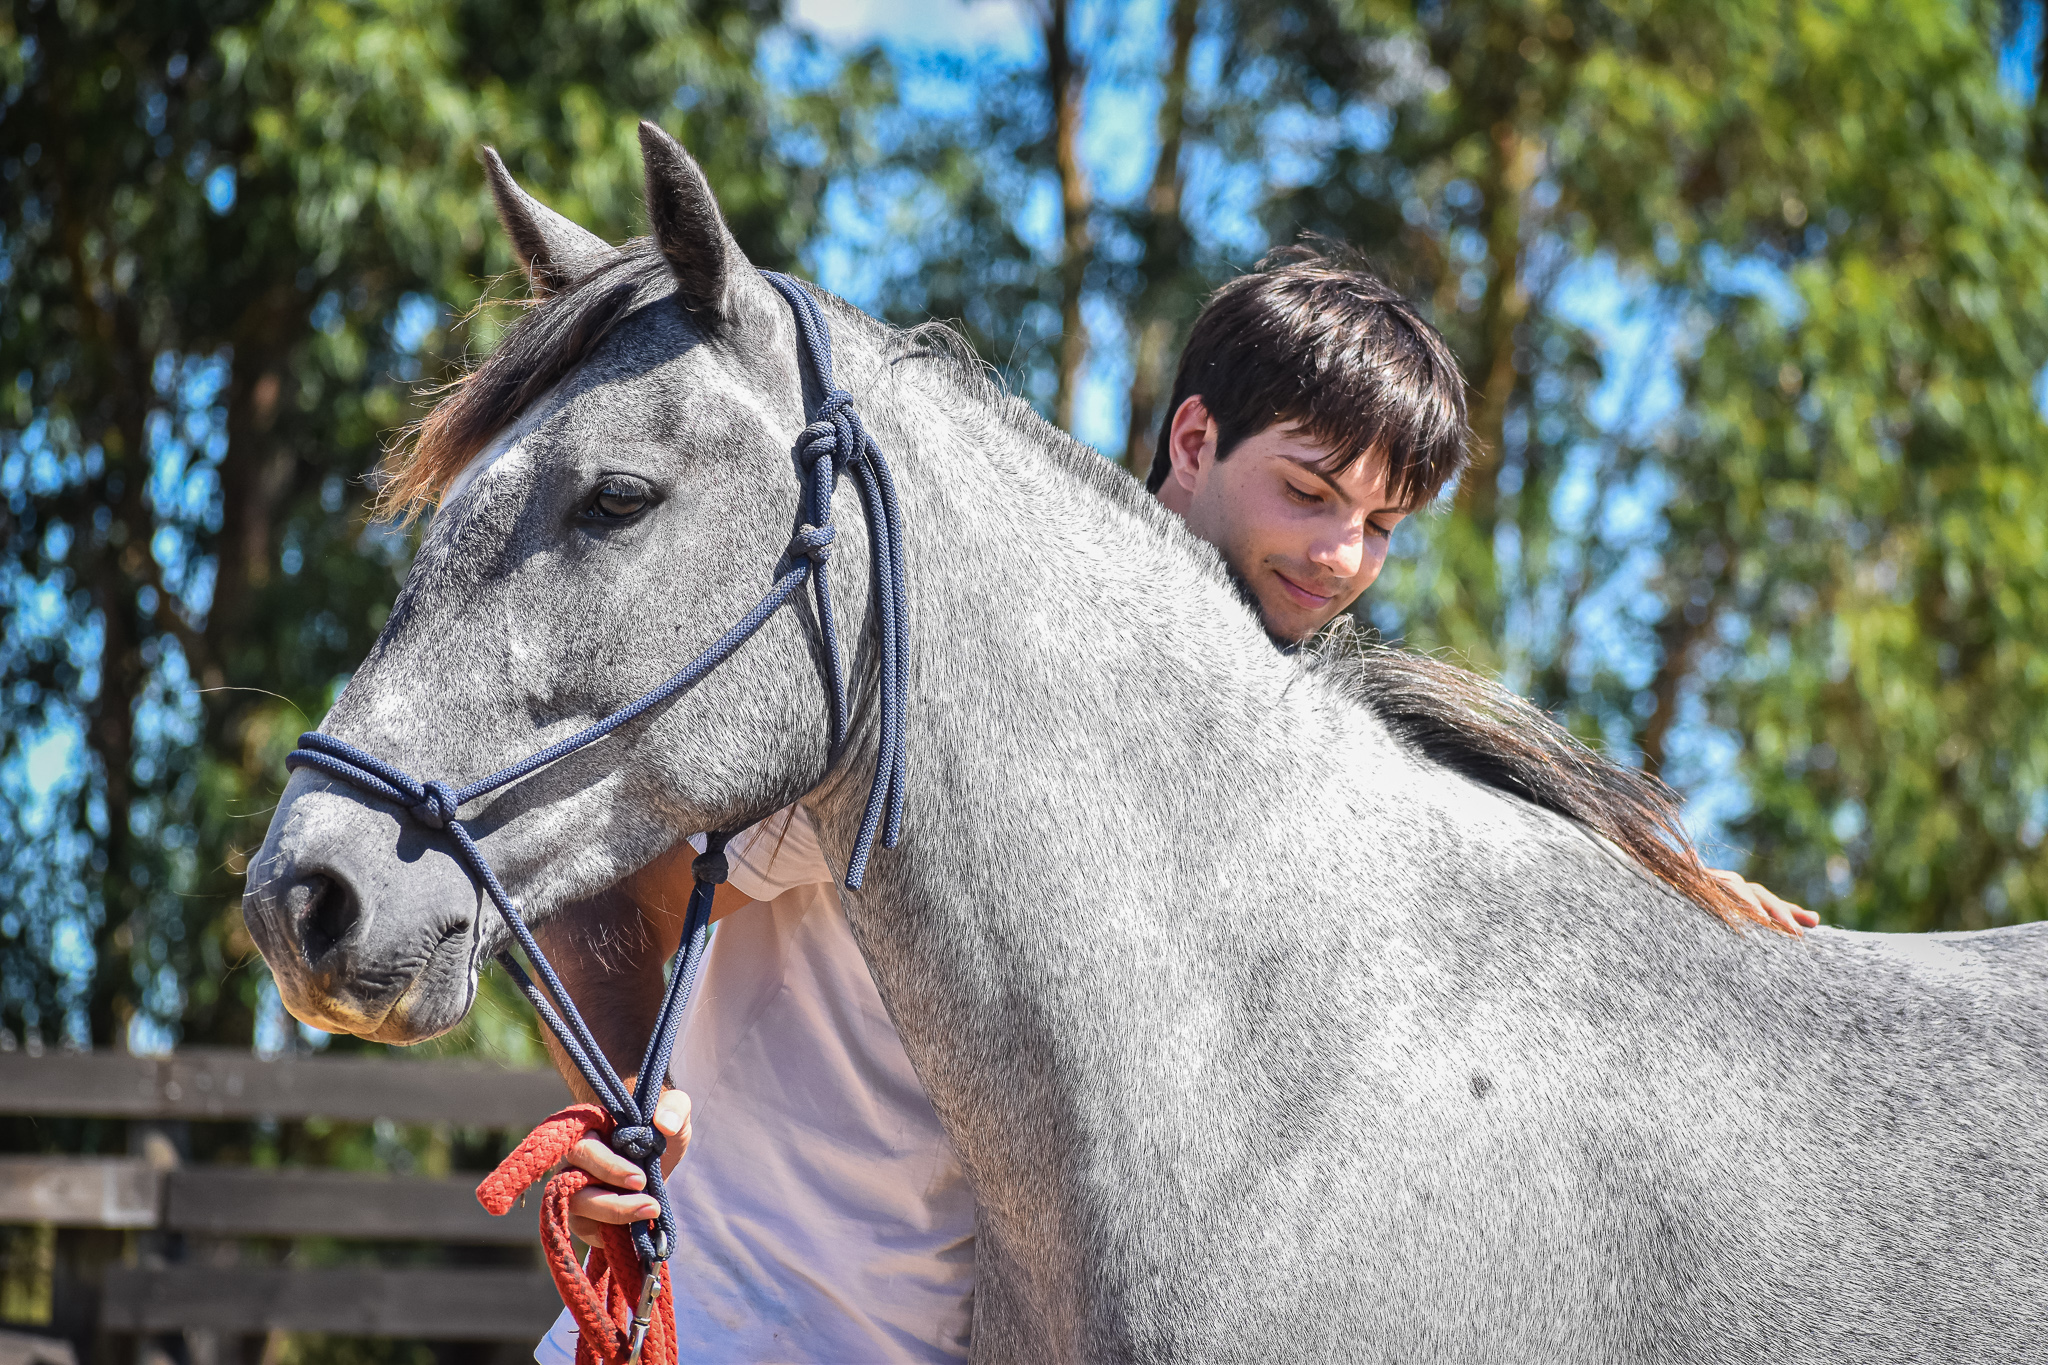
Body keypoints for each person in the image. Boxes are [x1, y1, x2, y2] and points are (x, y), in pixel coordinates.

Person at [532, 247, 1814, 1365]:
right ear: (1192, 441)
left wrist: (1649, 908)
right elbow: (611, 871)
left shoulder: (1263, 751)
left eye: (1381, 525)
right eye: (1309, 493)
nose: (1339, 559)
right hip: (735, 1332)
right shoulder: (987, 669)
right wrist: (614, 1110)